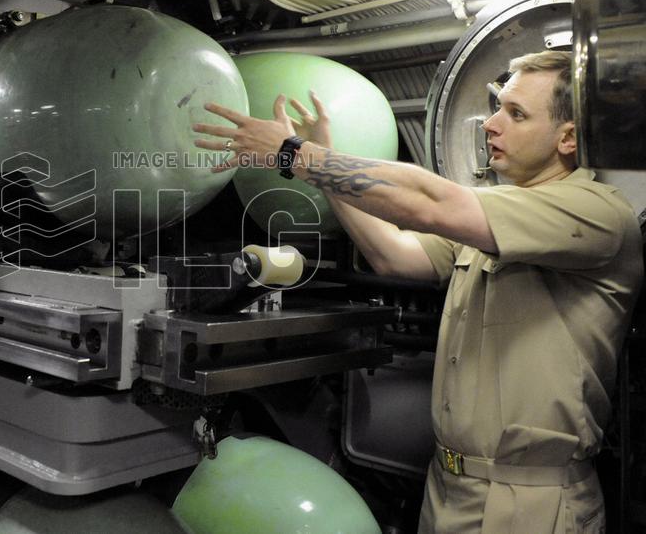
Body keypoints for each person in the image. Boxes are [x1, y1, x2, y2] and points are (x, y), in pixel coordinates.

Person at [193, 50, 643, 533]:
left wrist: (296, 154)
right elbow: (394, 253)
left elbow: (430, 204)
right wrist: (325, 178)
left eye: (515, 114)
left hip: (530, 501)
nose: (490, 124)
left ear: (568, 138)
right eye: (496, 106)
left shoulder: (596, 213)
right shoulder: (500, 216)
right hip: (449, 487)